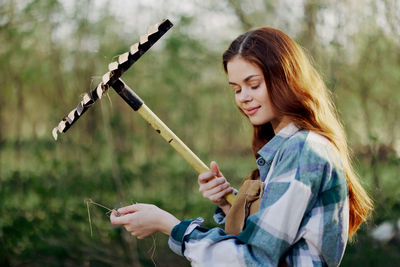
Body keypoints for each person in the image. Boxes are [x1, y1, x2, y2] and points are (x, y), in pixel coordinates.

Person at [110, 27, 373, 266]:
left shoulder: (303, 151)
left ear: (286, 79)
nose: (244, 98)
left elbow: (255, 260)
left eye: (253, 84)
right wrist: (230, 203)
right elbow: (276, 239)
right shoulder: (288, 148)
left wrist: (170, 226)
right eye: (236, 89)